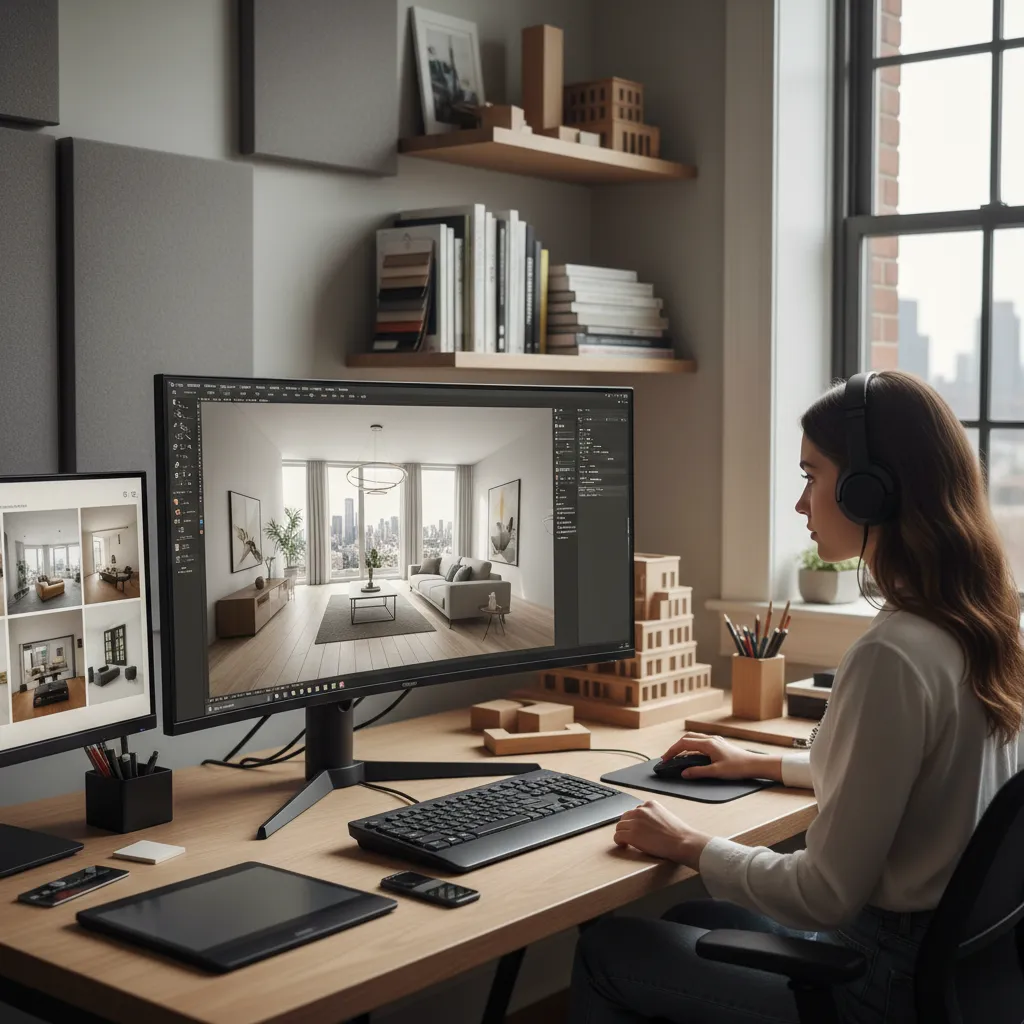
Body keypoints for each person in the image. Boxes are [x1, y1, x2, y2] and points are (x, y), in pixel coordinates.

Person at [570, 371, 1023, 1024]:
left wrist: (687, 843)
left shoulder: (894, 653)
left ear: (872, 491)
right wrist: (766, 763)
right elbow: (921, 778)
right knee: (692, 916)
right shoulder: (982, 618)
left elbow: (825, 895)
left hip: (881, 984)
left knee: (611, 948)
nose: (800, 504)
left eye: (812, 475)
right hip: (955, 971)